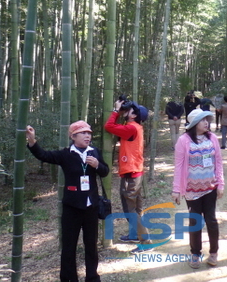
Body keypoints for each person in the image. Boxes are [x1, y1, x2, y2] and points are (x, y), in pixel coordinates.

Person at [25, 121, 109, 282]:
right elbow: (43, 155)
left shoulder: (95, 152)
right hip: (72, 207)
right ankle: (69, 278)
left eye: (89, 133)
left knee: (91, 246)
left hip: (91, 206)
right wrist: (32, 141)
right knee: (69, 247)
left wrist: (97, 165)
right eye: (83, 133)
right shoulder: (65, 154)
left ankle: (92, 277)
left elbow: (105, 172)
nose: (87, 136)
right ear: (73, 136)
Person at [172, 109, 225, 269]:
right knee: (195, 222)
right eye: (203, 120)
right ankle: (195, 253)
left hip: (210, 187)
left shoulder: (213, 138)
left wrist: (221, 183)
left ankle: (214, 253)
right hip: (191, 190)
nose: (206, 122)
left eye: (207, 120)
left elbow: (218, 163)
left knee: (211, 220)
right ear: (195, 124)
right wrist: (176, 189)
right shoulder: (184, 140)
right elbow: (179, 166)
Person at [104, 98, 152, 253]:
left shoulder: (131, 128)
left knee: (130, 209)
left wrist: (116, 111)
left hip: (131, 174)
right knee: (136, 209)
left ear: (133, 115)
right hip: (134, 172)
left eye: (130, 110)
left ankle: (146, 241)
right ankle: (135, 234)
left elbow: (109, 126)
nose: (127, 110)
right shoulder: (134, 127)